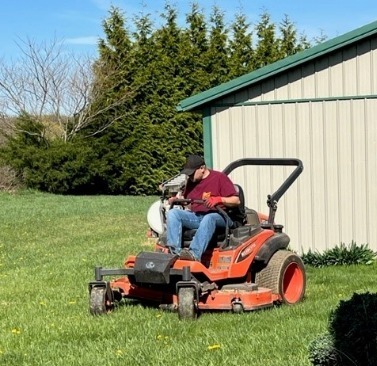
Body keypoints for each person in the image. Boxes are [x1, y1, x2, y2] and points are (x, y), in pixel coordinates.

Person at [166, 154, 240, 261]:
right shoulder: (191, 182)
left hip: (221, 216)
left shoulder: (219, 178)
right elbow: (190, 203)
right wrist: (178, 201)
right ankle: (174, 252)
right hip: (198, 216)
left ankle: (194, 254)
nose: (190, 177)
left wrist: (219, 199)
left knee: (209, 217)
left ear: (202, 168)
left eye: (191, 174)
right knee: (173, 213)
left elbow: (236, 200)